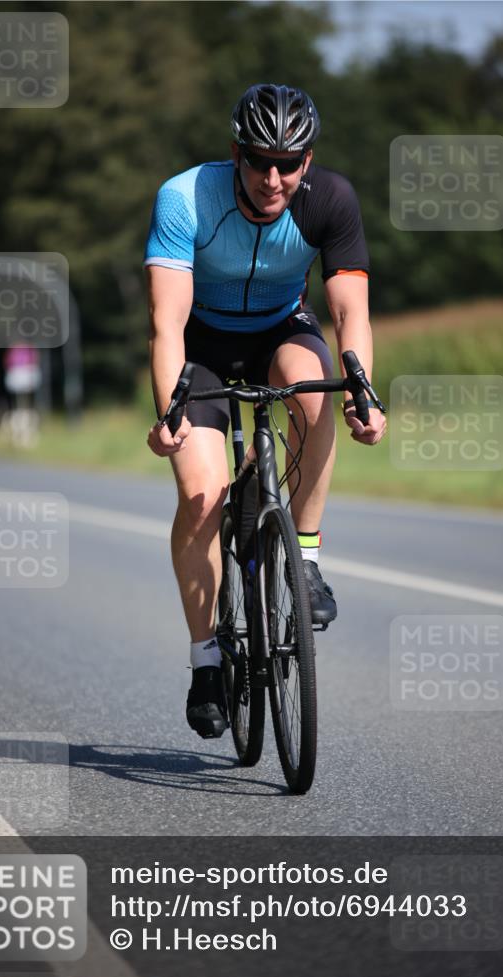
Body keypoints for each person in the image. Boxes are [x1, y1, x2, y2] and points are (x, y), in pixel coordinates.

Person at [144, 83, 386, 739]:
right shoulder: (185, 197)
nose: (273, 177)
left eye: (289, 162)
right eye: (258, 160)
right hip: (202, 347)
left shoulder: (330, 200)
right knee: (201, 496)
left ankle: (303, 558)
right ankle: (204, 661)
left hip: (281, 330)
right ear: (235, 154)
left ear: (308, 160)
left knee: (313, 394)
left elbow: (347, 313)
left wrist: (361, 386)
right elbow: (165, 323)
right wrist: (170, 407)